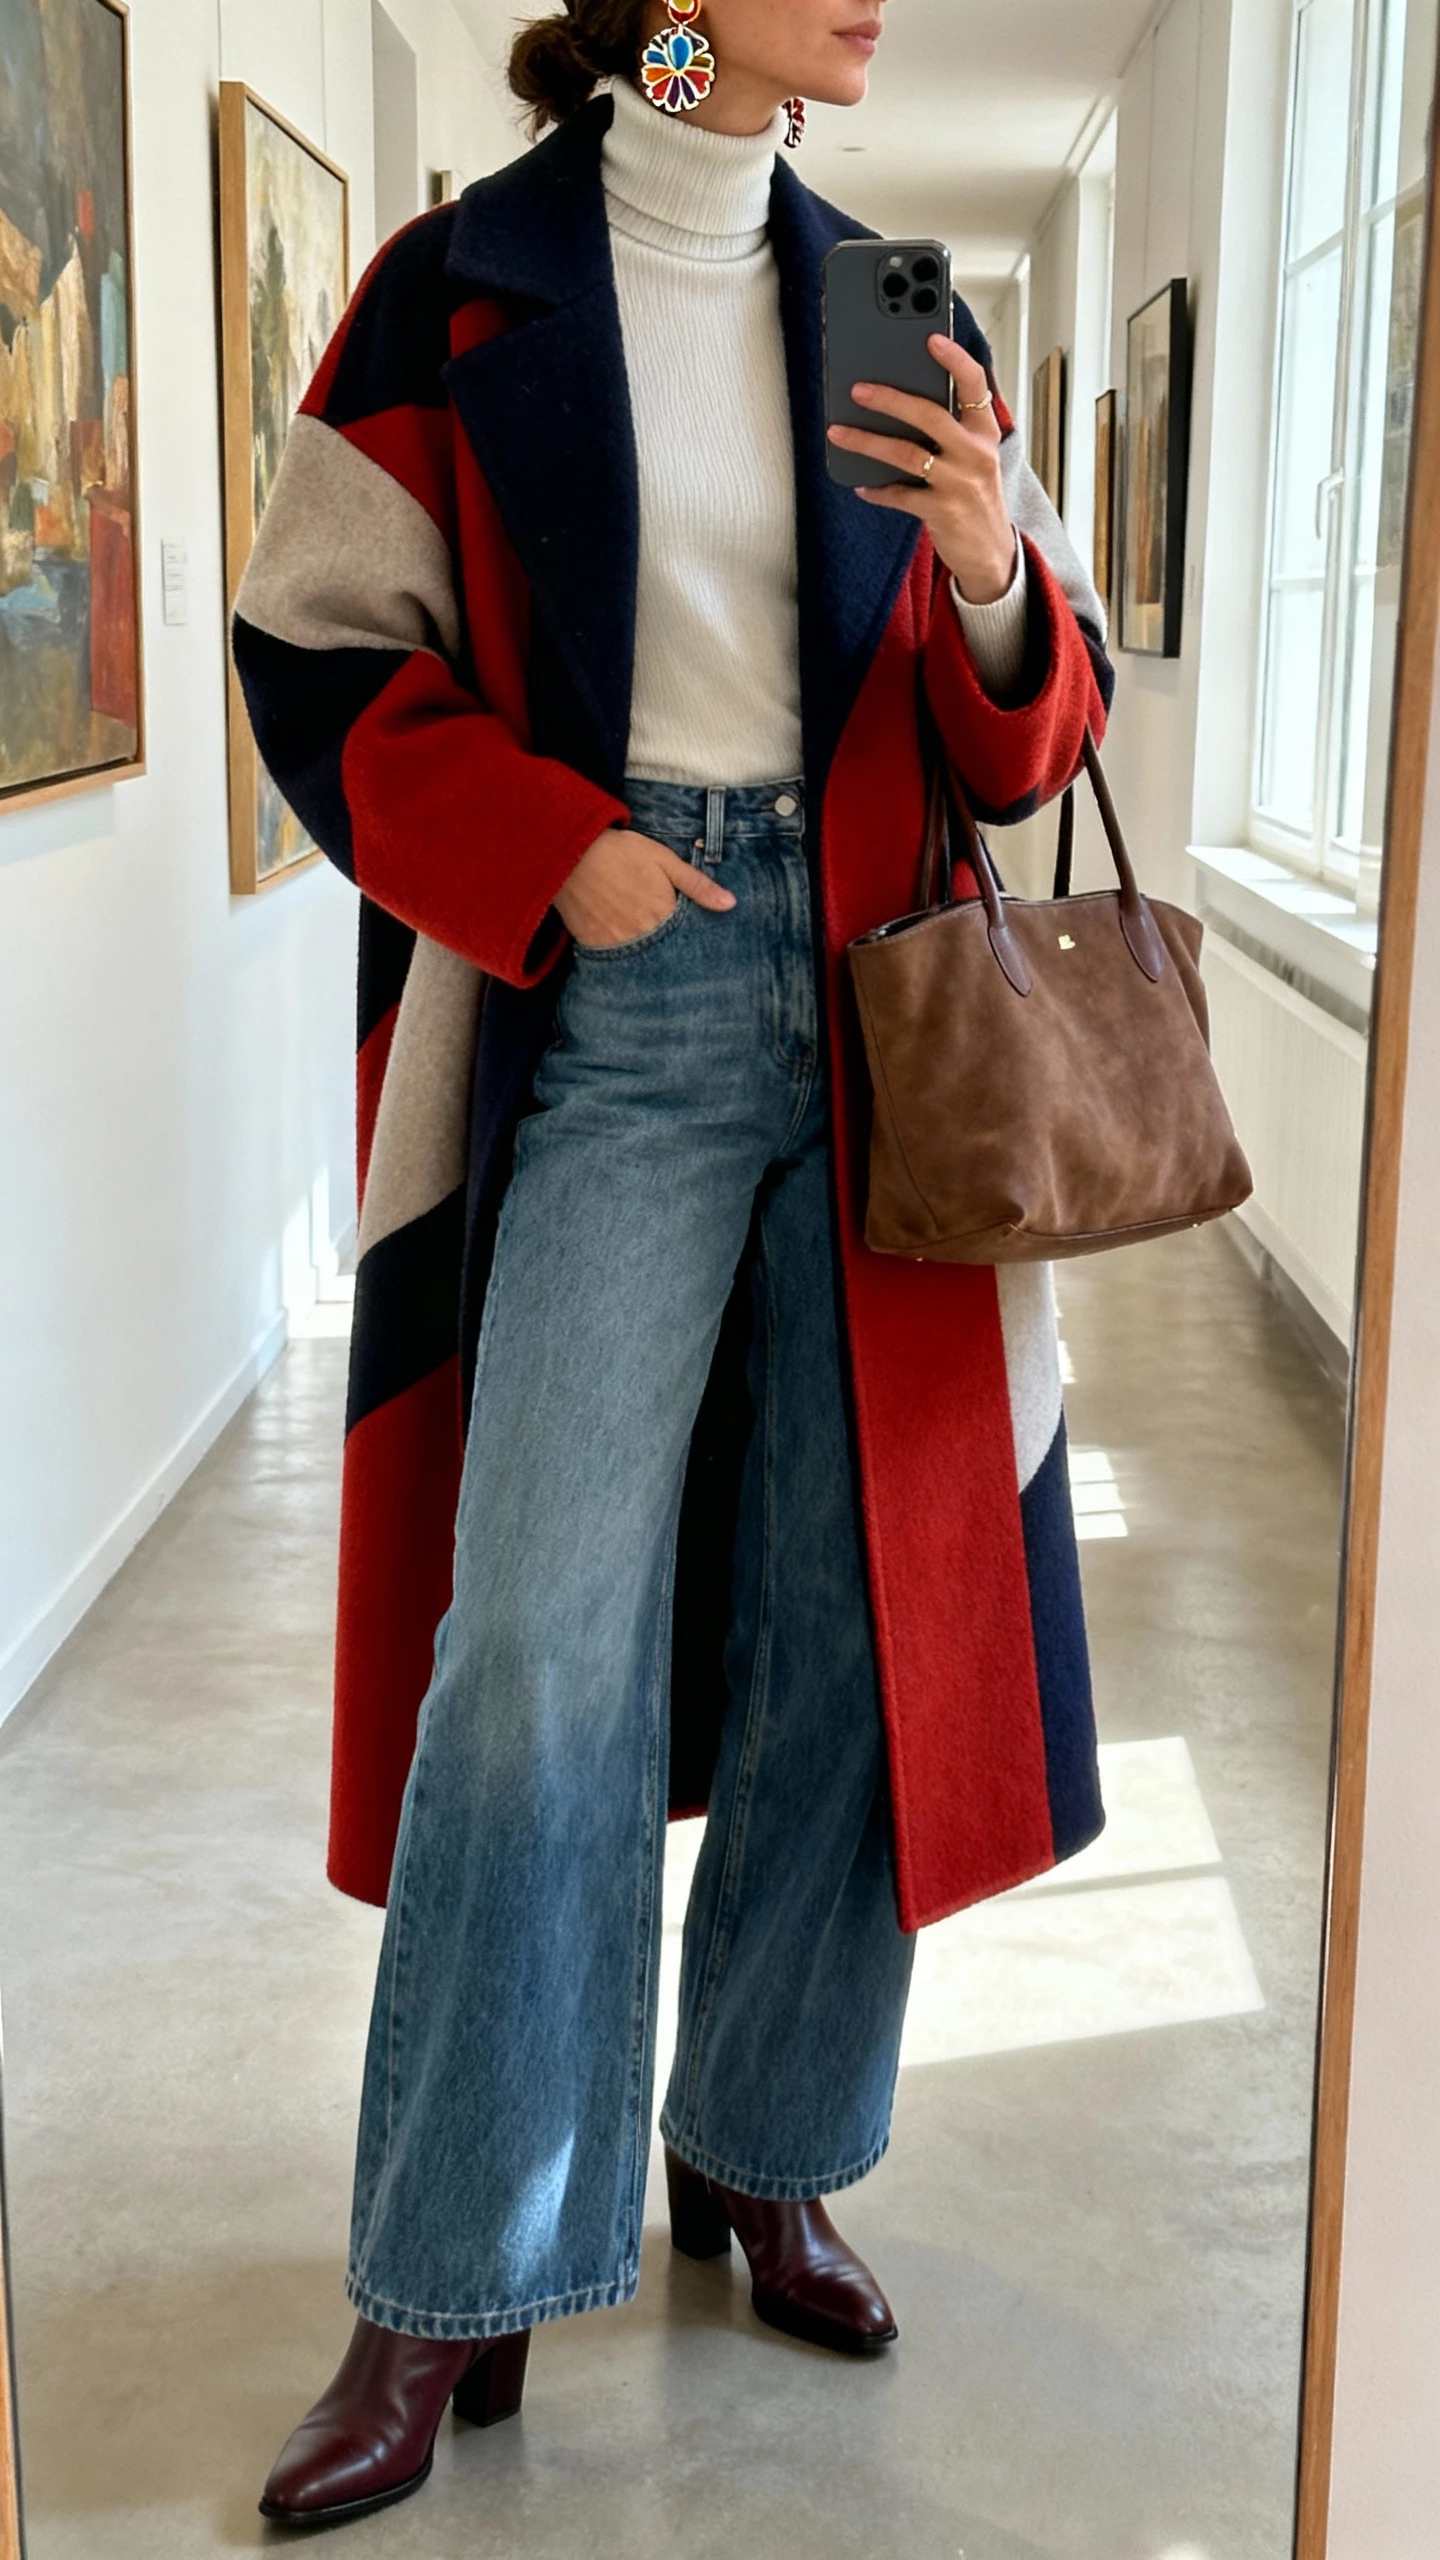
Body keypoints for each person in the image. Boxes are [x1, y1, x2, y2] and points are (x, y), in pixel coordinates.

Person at [233, 0, 1113, 2528]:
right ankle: (445, 2268)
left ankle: (764, 2145)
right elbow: (313, 650)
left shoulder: (890, 302)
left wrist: (987, 574)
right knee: (533, 1631)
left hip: (874, 1026)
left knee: (860, 1609)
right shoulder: (452, 291)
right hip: (603, 988)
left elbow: (1010, 742)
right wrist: (549, 842)